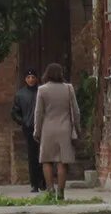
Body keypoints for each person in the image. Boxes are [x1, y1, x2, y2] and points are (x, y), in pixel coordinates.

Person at [33, 63, 80, 199]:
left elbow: (38, 112)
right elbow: (76, 111)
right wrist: (77, 128)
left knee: (47, 160)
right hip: (65, 128)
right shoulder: (68, 88)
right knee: (62, 161)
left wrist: (37, 130)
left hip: (47, 128)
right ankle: (61, 192)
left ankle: (49, 190)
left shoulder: (42, 90)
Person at [11, 68, 44, 192]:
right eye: (28, 78)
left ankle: (43, 181)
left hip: (41, 127)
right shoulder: (20, 94)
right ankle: (34, 183)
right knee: (32, 156)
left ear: (36, 79)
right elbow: (14, 112)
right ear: (25, 79)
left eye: (33, 77)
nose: (31, 80)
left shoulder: (41, 92)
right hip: (29, 127)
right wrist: (22, 121)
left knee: (43, 154)